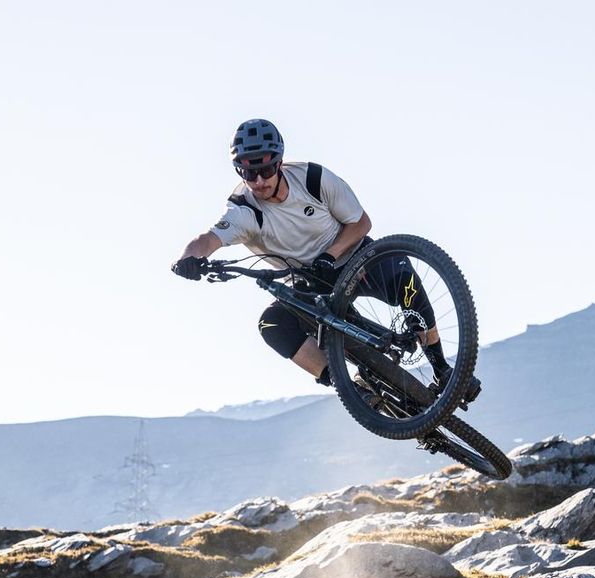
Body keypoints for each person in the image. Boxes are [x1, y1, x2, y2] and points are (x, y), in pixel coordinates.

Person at [171, 118, 476, 405]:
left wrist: (330, 255)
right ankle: (348, 389)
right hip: (308, 283)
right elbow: (207, 240)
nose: (260, 181)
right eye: (250, 174)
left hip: (352, 256)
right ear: (240, 172)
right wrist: (188, 258)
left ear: (278, 163)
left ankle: (442, 368)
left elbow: (361, 223)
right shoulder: (242, 210)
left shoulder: (313, 179)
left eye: (266, 170)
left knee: (404, 278)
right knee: (271, 324)